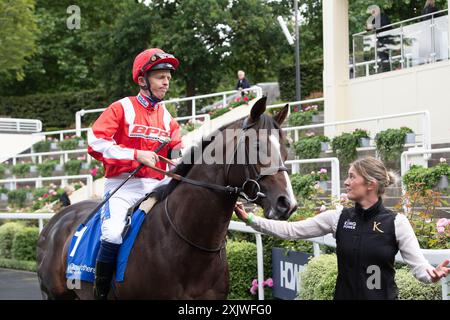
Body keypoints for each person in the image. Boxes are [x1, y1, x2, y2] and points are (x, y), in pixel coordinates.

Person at [234, 156, 450, 300]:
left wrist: (432, 275)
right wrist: (250, 219)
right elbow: (291, 230)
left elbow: (420, 267)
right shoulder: (337, 218)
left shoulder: (397, 222)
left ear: (370, 184)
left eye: (352, 176)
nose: (346, 182)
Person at [87, 48, 183, 300]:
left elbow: (177, 156)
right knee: (113, 231)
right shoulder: (121, 108)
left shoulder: (168, 118)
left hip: (157, 187)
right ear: (143, 80)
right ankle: (101, 291)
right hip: (123, 185)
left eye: (168, 78)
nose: (166, 82)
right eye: (161, 77)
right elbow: (95, 142)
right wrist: (134, 154)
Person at [366, 6, 392, 73]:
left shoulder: (383, 16)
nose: (372, 14)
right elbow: (369, 29)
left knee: (384, 56)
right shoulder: (373, 19)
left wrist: (373, 26)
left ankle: (386, 71)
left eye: (373, 12)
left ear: (378, 10)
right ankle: (385, 70)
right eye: (371, 12)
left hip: (386, 39)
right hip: (380, 40)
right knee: (381, 56)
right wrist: (369, 26)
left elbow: (385, 25)